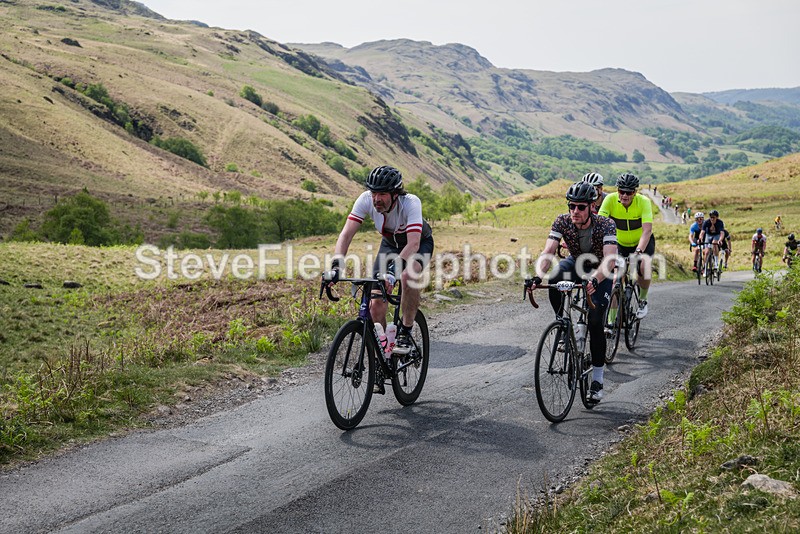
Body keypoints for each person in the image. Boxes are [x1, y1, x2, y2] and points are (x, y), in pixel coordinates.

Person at [327, 165, 434, 386]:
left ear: (395, 194)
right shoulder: (365, 199)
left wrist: (393, 272)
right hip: (390, 245)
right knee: (375, 304)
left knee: (407, 276)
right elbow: (346, 234)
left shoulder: (411, 202)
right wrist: (336, 266)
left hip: (417, 244)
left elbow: (413, 243)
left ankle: (405, 330)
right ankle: (383, 355)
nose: (377, 199)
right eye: (374, 193)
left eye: (382, 194)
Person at [526, 181, 617, 403]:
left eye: (580, 207)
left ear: (591, 207)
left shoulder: (605, 224)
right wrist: (538, 276)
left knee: (595, 321)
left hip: (600, 270)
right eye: (571, 206)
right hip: (576, 262)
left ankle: (597, 379)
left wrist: (596, 280)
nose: (575, 211)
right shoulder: (562, 221)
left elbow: (610, 259)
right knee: (555, 276)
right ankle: (562, 324)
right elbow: (548, 251)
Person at [598, 172, 654, 319]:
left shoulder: (643, 202)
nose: (624, 195)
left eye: (629, 192)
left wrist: (638, 251)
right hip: (619, 244)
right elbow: (599, 225)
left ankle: (642, 299)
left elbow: (647, 231)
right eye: (621, 191)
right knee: (615, 279)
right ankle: (611, 322)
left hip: (641, 242)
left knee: (643, 266)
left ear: (635, 192)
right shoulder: (610, 200)